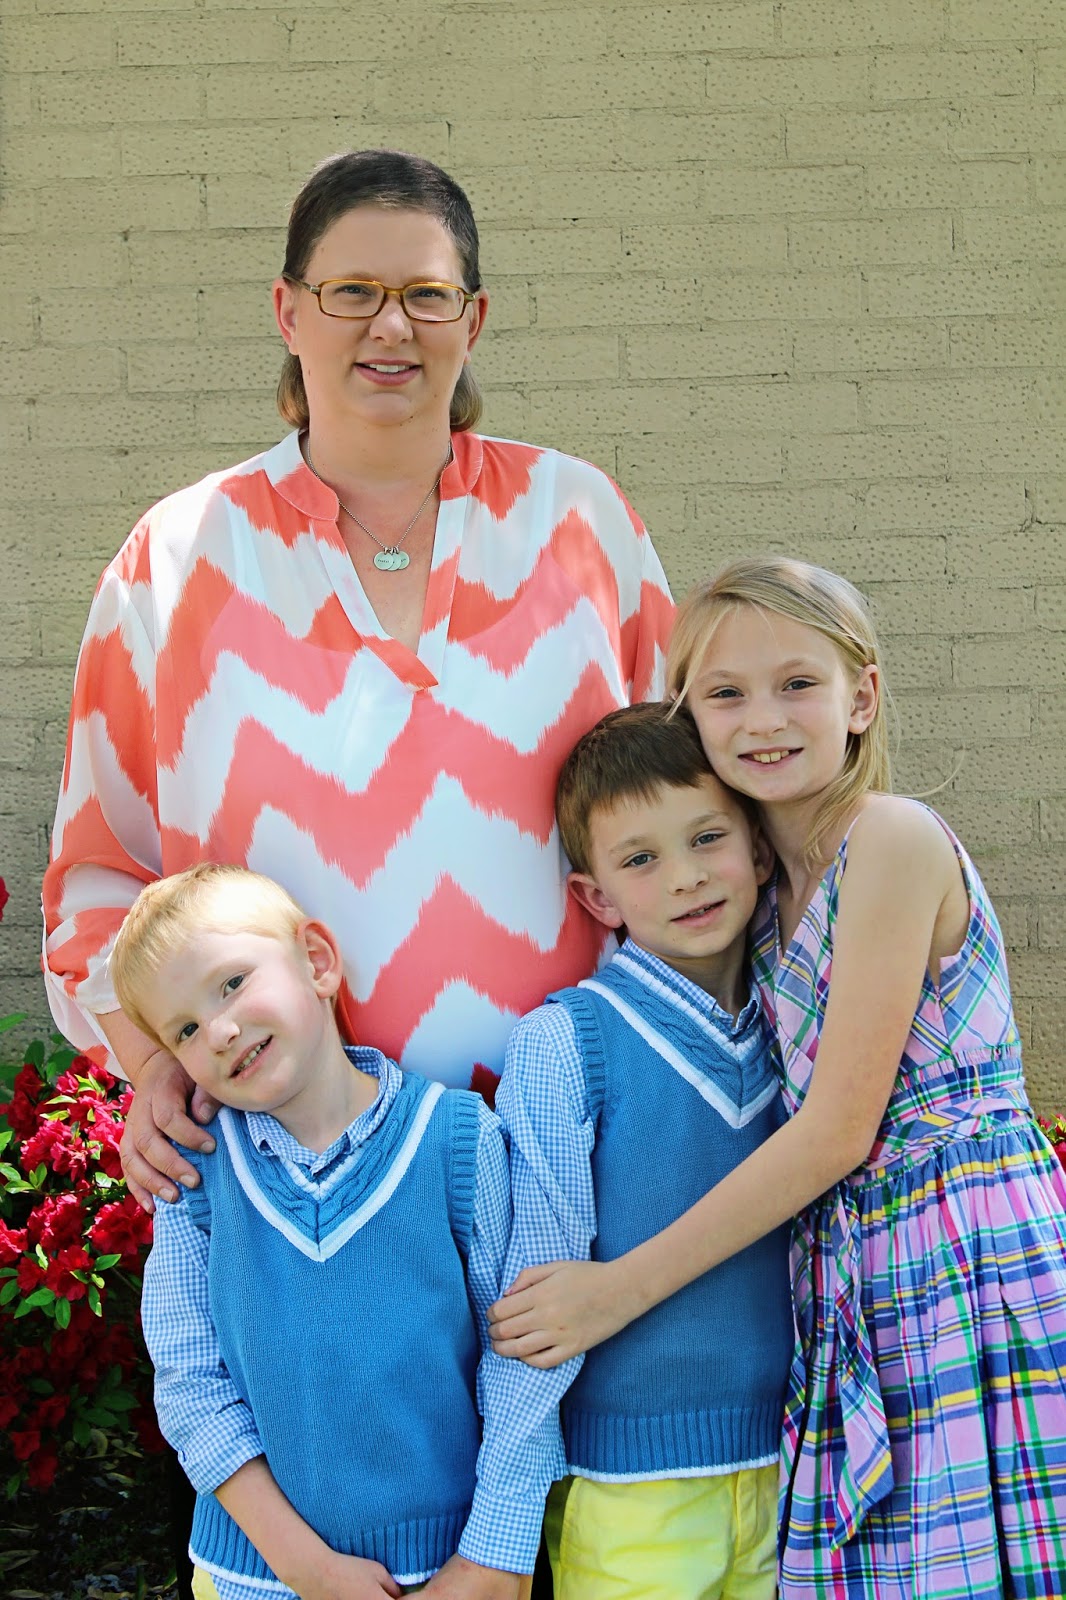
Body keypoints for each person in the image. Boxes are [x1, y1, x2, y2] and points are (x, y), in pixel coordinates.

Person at [41, 147, 673, 1218]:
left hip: (584, 1151)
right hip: (291, 1174)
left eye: (427, 295)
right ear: (289, 312)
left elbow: (694, 803)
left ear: (472, 321)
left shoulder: (580, 521)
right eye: (352, 293)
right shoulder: (177, 558)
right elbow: (98, 885)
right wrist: (152, 1065)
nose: (391, 326)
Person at [488, 557, 1066, 1599]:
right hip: (852, 1276)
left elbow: (838, 1129)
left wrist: (615, 1292)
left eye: (797, 683)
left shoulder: (890, 838)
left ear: (862, 697)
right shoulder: (755, 903)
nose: (763, 718)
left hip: (959, 1251)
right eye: (725, 693)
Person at [112, 863, 542, 1600]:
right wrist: (302, 1566)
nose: (219, 1030)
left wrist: (495, 1554)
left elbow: (521, 1359)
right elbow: (191, 1387)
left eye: (231, 983)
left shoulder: (458, 1141)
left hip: (449, 1570)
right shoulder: (194, 1175)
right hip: (256, 1572)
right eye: (184, 1029)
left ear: (316, 962)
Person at [489, 702, 792, 1600]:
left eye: (707, 838)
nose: (685, 878)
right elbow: (537, 1309)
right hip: (628, 1496)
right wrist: (503, 1530)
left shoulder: (805, 1023)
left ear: (759, 849)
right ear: (597, 898)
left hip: (800, 1469)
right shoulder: (569, 1043)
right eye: (640, 860)